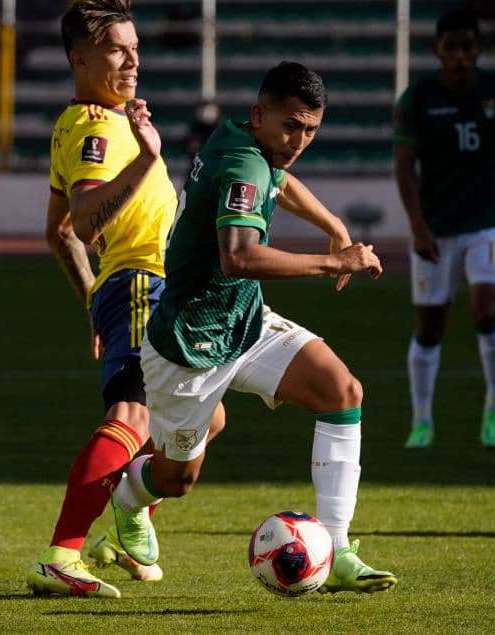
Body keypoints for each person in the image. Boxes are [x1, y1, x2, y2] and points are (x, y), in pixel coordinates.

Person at [108, 61, 399, 596]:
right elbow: (239, 257)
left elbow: (279, 181)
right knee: (178, 479)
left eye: (311, 129)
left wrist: (334, 226)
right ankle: (128, 498)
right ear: (260, 114)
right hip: (189, 343)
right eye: (291, 125)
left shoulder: (243, 140)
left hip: (244, 320)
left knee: (342, 391)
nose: (299, 140)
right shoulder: (244, 161)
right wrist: (336, 263)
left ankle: (335, 549)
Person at [26, 0, 224, 599]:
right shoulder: (94, 132)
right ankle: (62, 553)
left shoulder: (97, 123)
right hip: (143, 280)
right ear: (79, 59)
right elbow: (84, 224)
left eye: (135, 47)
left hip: (155, 287)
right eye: (116, 50)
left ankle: (131, 509)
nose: (133, 60)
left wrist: (92, 300)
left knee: (205, 419)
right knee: (136, 415)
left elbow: (57, 233)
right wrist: (145, 160)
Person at [393, 8, 495, 450]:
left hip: (488, 220)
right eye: (450, 47)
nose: (459, 56)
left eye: (467, 46)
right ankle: (422, 420)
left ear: (478, 49)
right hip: (436, 226)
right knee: (430, 325)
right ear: (437, 51)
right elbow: (404, 168)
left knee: (486, 309)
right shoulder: (417, 99)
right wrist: (417, 226)